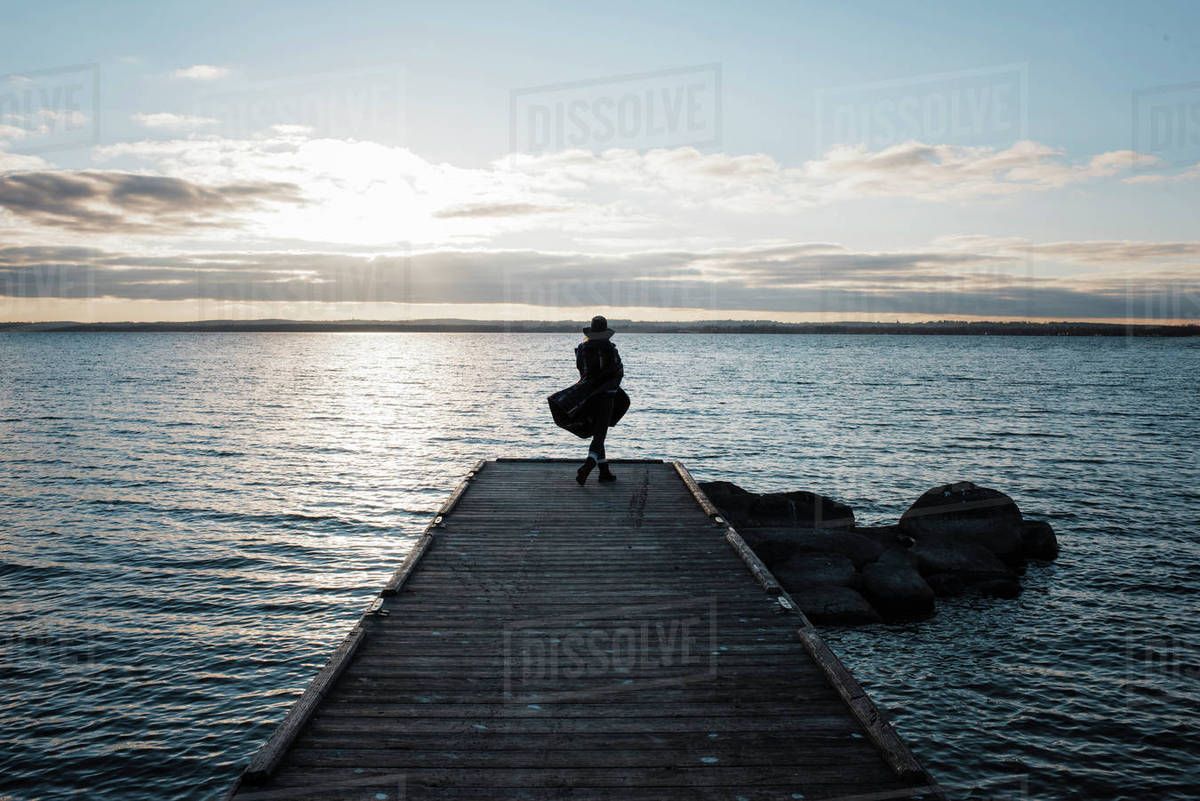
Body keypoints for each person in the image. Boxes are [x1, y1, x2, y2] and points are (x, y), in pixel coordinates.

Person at [574, 315, 623, 484]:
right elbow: (619, 372)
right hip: (607, 396)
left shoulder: (582, 348)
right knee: (600, 436)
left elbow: (581, 371)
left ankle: (604, 472)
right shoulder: (611, 349)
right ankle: (587, 467)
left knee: (598, 433)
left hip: (588, 395)